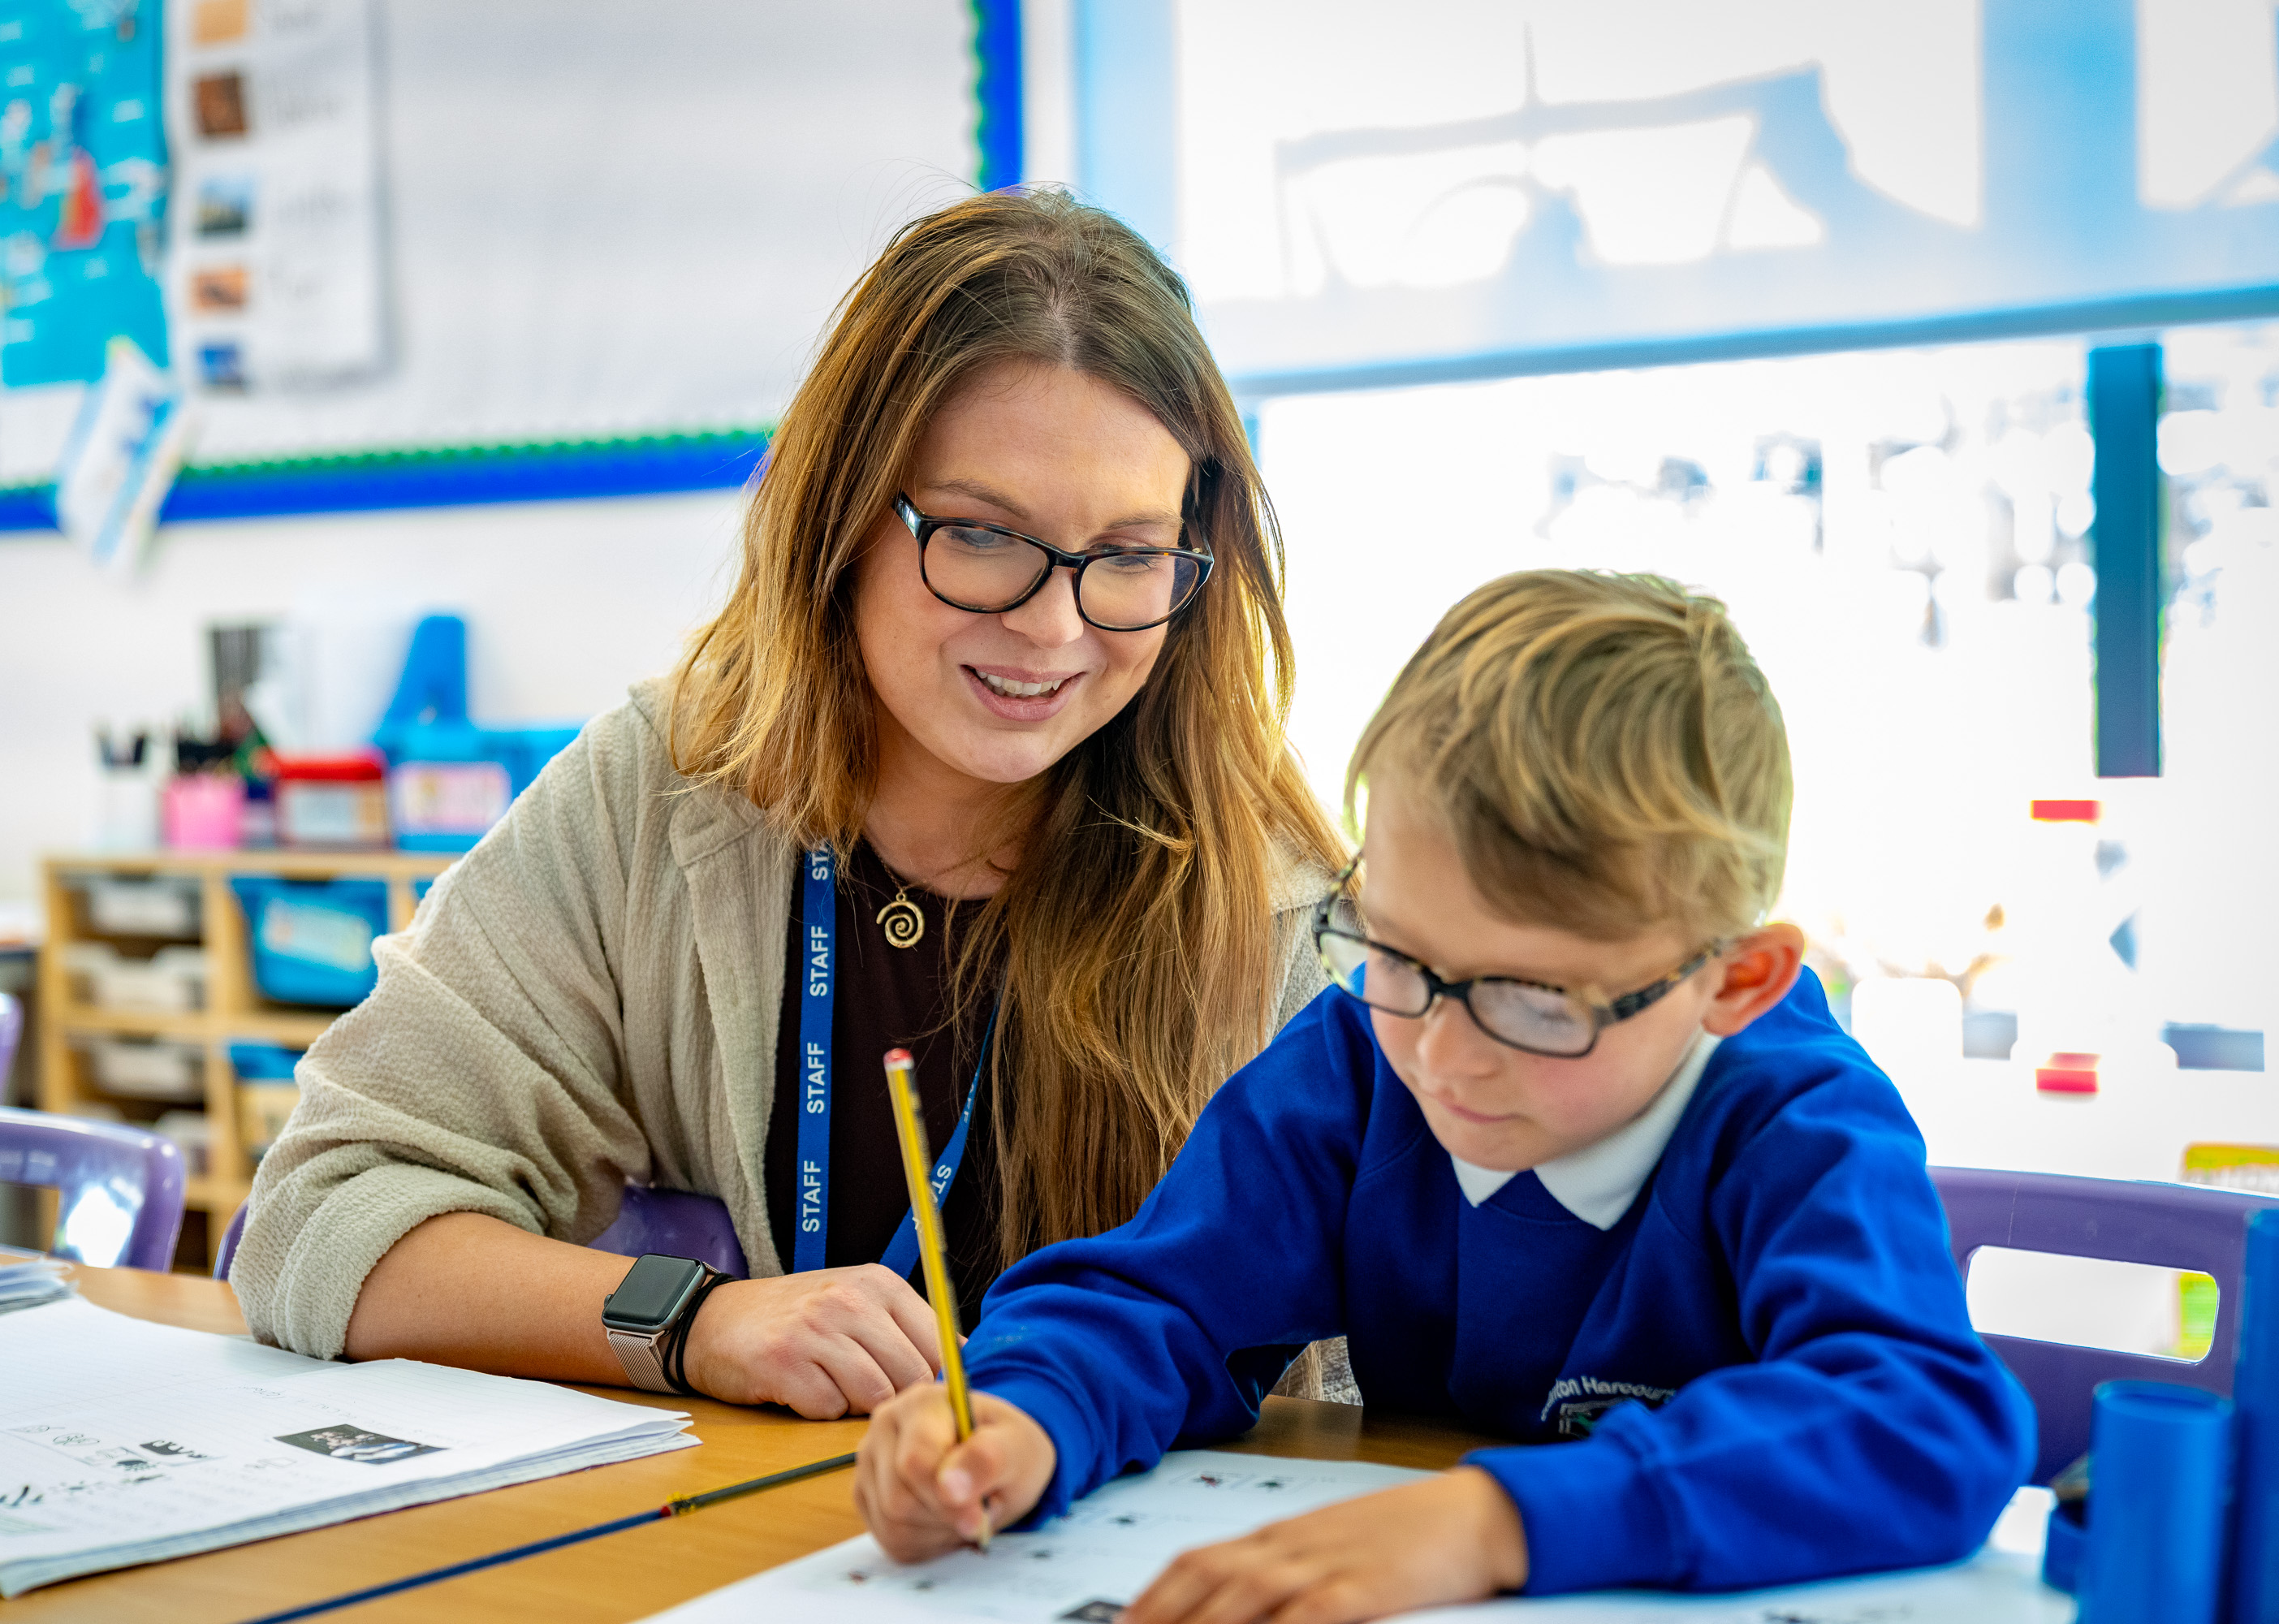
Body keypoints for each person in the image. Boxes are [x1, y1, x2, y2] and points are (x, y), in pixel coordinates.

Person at [231, 189, 1347, 1419]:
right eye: (982, 536)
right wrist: (690, 1322)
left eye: (1130, 555)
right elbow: (314, 1220)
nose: (1052, 626)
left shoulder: (1278, 903)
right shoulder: (656, 791)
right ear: (844, 516)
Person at [857, 569, 2035, 1616]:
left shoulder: (1798, 1126)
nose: (1447, 1057)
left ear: (1736, 979)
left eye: (1534, 1002)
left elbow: (1923, 1421)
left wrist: (1497, 1520)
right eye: (1400, 953)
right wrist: (1027, 1414)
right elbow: (1156, 1299)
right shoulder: (1361, 1062)